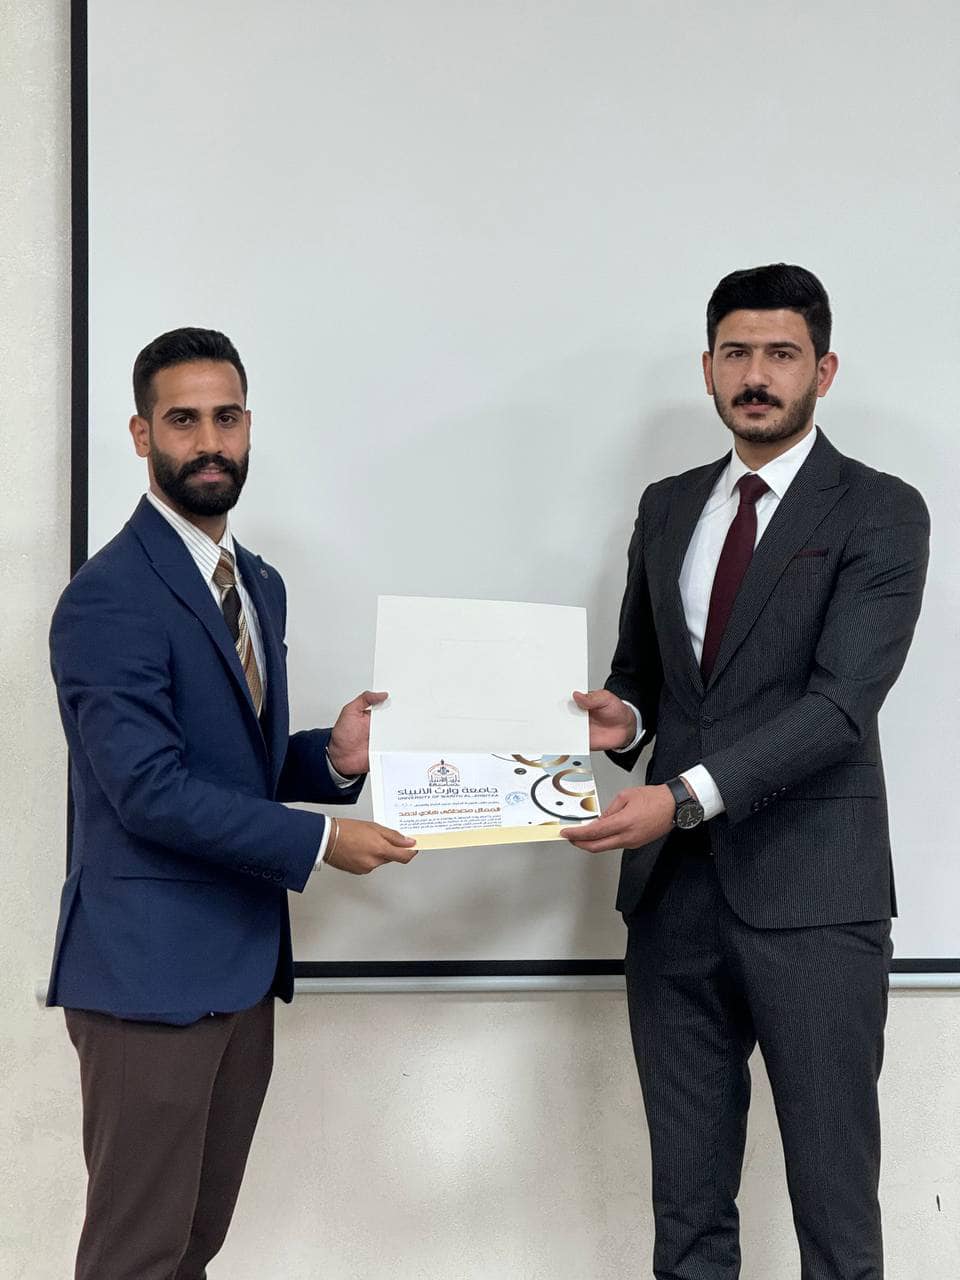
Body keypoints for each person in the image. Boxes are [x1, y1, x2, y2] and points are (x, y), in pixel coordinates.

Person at [562, 265, 929, 1279]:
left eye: (780, 354)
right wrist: (623, 717)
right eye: (737, 353)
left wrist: (681, 796)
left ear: (824, 370)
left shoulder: (881, 510)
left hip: (816, 899)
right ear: (709, 367)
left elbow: (840, 707)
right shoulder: (669, 505)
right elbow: (644, 678)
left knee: (834, 1214)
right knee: (686, 1216)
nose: (756, 375)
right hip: (673, 904)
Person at [47, 327, 417, 1280]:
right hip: (146, 978)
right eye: (183, 421)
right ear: (141, 435)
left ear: (250, 425)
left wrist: (329, 760)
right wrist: (321, 840)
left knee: (193, 1248)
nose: (209, 442)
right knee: (136, 1256)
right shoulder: (109, 597)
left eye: (226, 418)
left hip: (242, 969)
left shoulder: (257, 583)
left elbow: (229, 764)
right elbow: (148, 791)